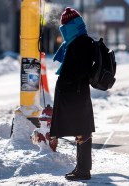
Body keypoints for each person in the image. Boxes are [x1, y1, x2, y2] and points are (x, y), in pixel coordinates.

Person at [49, 7, 95, 181]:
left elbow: (80, 70)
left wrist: (67, 83)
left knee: (82, 131)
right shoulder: (78, 41)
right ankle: (81, 168)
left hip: (75, 93)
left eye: (64, 27)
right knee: (80, 130)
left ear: (71, 26)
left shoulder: (81, 43)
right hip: (75, 93)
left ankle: (83, 170)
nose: (63, 30)